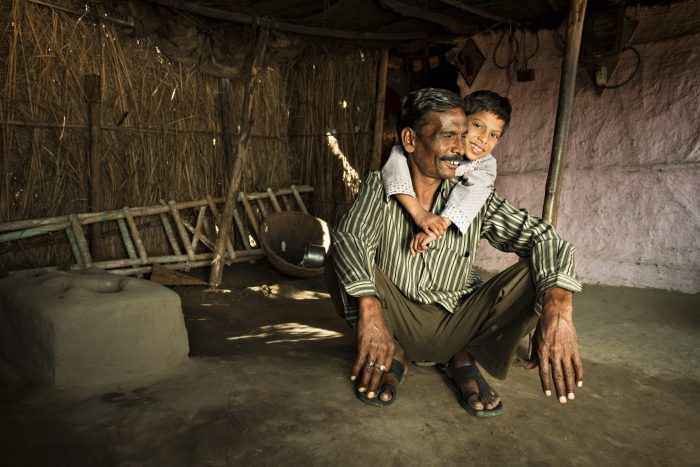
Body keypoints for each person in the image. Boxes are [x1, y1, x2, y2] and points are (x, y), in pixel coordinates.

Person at [327, 87, 583, 417]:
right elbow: (351, 238)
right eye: (448, 136)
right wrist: (370, 307)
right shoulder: (381, 186)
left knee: (544, 272)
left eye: (464, 135)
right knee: (341, 254)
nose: (461, 148)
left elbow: (546, 239)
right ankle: (393, 350)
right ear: (410, 140)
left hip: (458, 324)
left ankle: (465, 357)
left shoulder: (475, 194)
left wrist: (558, 307)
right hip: (394, 317)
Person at [381, 90, 508, 255]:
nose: (484, 138)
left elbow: (471, 194)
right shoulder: (407, 155)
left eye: (494, 135)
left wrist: (438, 227)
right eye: (477, 125)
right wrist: (419, 213)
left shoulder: (485, 165)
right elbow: (394, 171)